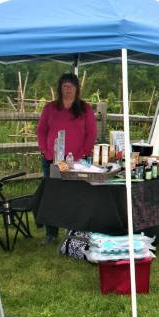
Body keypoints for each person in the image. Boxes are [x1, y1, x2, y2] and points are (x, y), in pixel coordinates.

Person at [37, 73, 97, 244]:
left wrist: (83, 153)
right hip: (52, 160)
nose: (68, 89)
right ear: (60, 88)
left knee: (75, 196)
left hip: (76, 162)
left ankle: (75, 231)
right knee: (52, 196)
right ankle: (51, 234)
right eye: (65, 86)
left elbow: (91, 133)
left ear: (77, 88)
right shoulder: (50, 108)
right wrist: (45, 150)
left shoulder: (85, 108)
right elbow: (41, 130)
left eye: (71, 86)